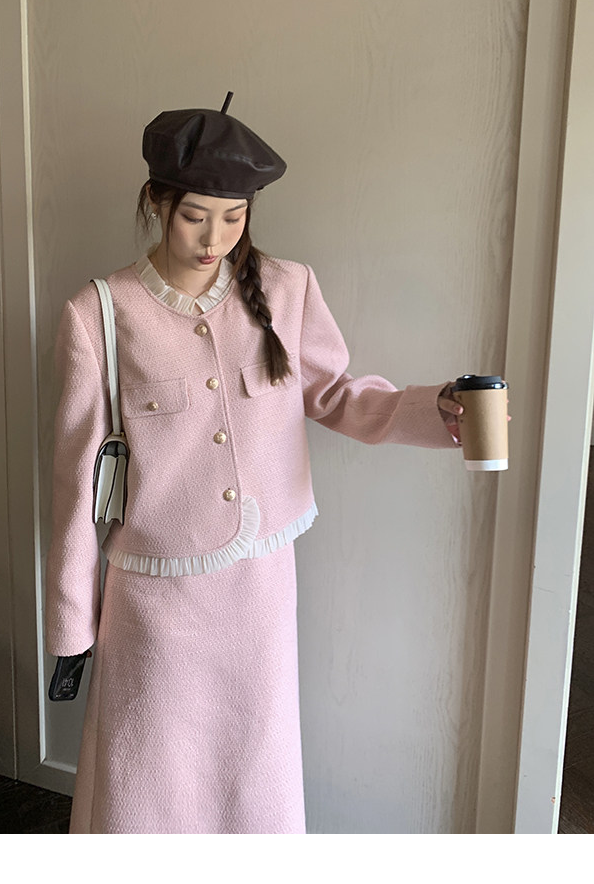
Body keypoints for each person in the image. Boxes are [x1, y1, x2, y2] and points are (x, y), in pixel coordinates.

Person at [45, 94, 462, 834]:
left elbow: (336, 395)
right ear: (156, 201)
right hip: (156, 599)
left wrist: (439, 409)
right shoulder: (98, 315)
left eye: (233, 217)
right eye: (194, 216)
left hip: (259, 588)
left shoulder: (288, 288)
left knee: (253, 773)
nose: (214, 238)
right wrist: (72, 629)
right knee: (149, 784)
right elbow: (76, 486)